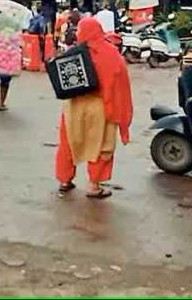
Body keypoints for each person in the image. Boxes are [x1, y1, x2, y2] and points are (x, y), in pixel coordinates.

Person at [54, 17, 133, 199]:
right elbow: (120, 85)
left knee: (69, 144)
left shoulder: (73, 53)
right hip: (101, 106)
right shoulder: (111, 53)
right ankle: (94, 186)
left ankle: (65, 181)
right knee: (101, 146)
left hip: (74, 107)